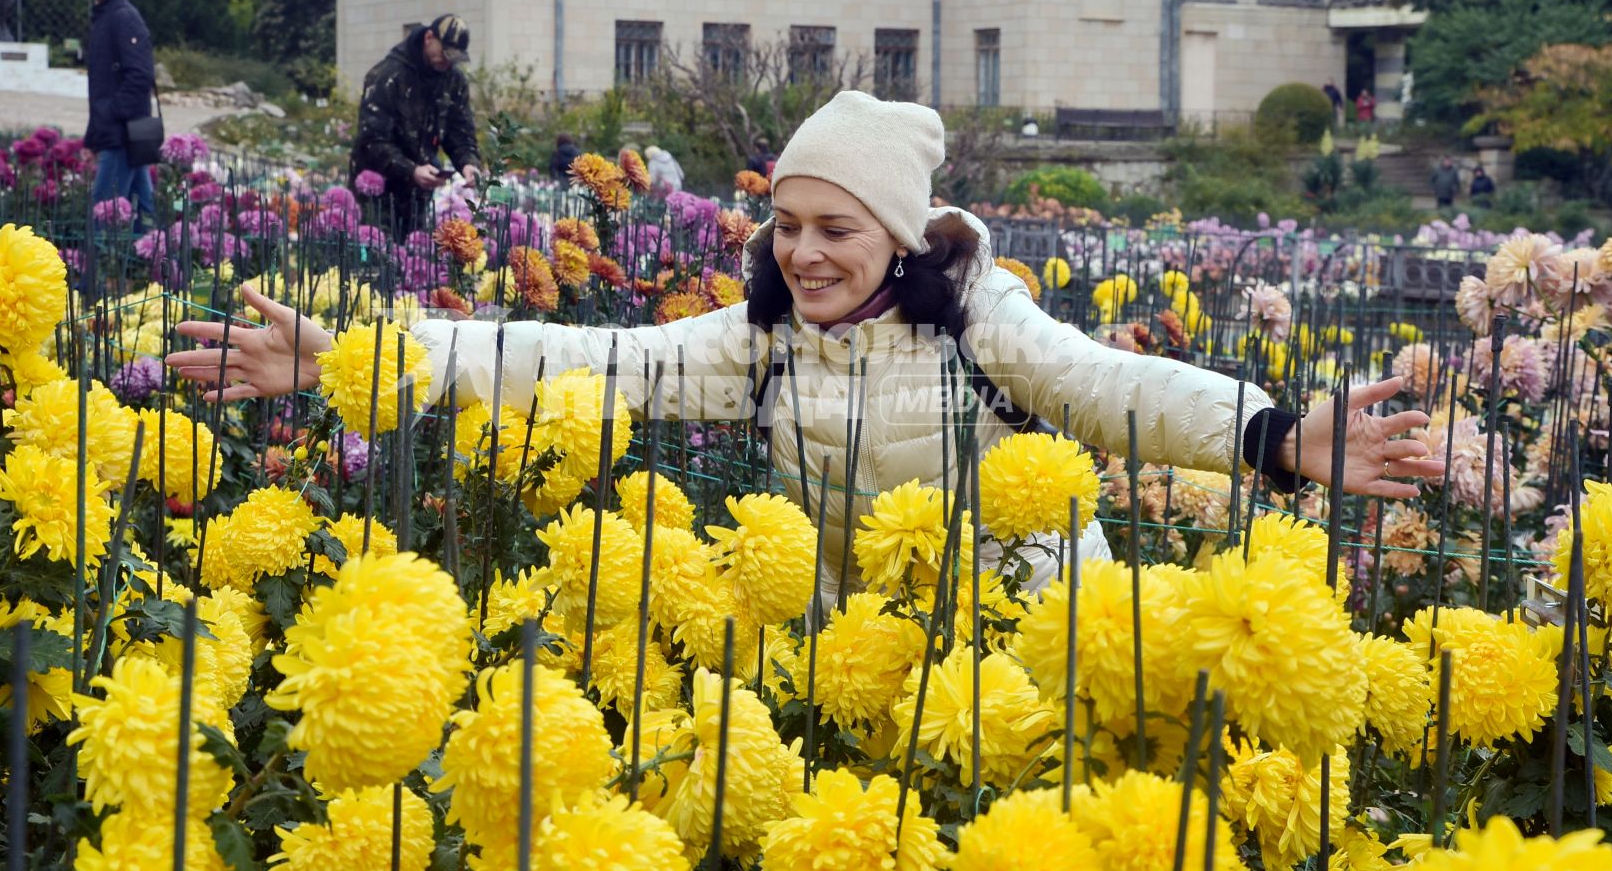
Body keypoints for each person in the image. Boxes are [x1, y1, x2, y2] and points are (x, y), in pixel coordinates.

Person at [170, 90, 1443, 596]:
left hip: (1036, 625)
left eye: (834, 226)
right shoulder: (763, 342)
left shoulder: (981, 328)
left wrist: (1274, 435)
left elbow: (1111, 388)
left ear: (897, 237)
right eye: (783, 223)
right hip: (857, 639)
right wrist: (354, 356)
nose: (803, 251)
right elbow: (573, 363)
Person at [351, 13, 480, 239]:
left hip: (418, 195)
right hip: (377, 193)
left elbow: (460, 131)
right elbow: (371, 141)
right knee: (372, 261)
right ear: (429, 37)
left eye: (454, 58)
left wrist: (468, 162)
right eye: (444, 54)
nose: (448, 62)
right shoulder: (387, 75)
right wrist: (410, 170)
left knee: (412, 262)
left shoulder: (453, 80)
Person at [83, 0, 156, 230]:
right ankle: (156, 269)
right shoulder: (104, 17)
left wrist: (111, 114)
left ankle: (96, 272)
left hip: (123, 132)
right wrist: (92, 137)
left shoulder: (123, 16)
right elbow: (102, 88)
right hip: (120, 130)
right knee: (144, 213)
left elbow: (140, 75)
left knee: (103, 214)